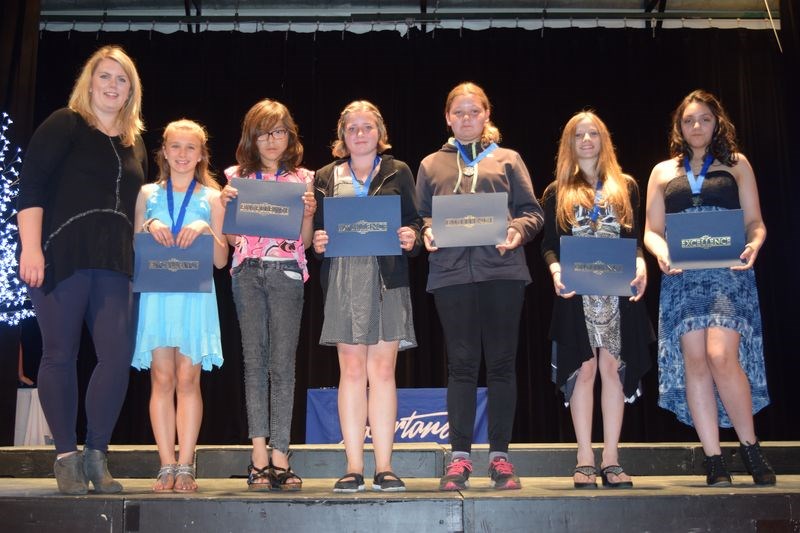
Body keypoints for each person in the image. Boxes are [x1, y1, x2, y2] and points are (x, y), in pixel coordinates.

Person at [17, 45, 147, 494]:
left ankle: (97, 455)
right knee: (59, 354)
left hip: (115, 264)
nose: (113, 86)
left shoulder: (135, 142)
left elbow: (140, 208)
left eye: (122, 79)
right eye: (105, 76)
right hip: (63, 255)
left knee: (116, 357)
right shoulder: (65, 124)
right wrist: (29, 249)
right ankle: (66, 458)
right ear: (89, 82)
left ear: (132, 89)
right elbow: (30, 189)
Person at [415, 82, 544, 491]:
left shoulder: (508, 159)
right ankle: (459, 458)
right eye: (459, 112)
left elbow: (533, 212)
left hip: (502, 272)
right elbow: (420, 216)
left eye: (475, 111)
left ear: (487, 115)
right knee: (462, 366)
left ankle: (501, 457)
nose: (467, 118)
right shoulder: (431, 165)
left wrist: (517, 232)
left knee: (502, 364)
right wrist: (426, 233)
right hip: (451, 276)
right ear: (447, 117)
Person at [644, 89, 775, 486]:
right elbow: (651, 230)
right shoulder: (663, 172)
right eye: (688, 121)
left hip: (727, 274)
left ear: (717, 122)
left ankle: (750, 448)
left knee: (721, 356)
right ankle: (714, 459)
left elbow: (755, 222)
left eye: (703, 119)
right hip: (682, 278)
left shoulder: (737, 165)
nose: (696, 126)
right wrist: (661, 254)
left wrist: (754, 244)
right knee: (696, 362)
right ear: (679, 128)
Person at [312, 100, 421, 493]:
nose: (360, 134)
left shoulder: (398, 171)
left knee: (384, 372)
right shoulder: (324, 176)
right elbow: (317, 234)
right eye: (352, 128)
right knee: (352, 372)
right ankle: (353, 466)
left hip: (387, 278)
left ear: (380, 133)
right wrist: (318, 241)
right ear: (342, 136)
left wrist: (413, 237)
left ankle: (386, 466)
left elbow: (415, 222)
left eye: (367, 127)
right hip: (343, 279)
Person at [540, 111, 653, 489]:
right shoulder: (556, 192)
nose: (586, 140)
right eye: (578, 135)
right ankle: (584, 456)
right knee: (584, 370)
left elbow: (634, 240)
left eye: (593, 133)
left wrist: (641, 265)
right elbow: (549, 247)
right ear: (568, 144)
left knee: (613, 372)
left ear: (604, 139)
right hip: (576, 293)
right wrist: (556, 273)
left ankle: (612, 458)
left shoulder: (627, 187)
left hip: (618, 293)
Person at [220, 99, 316, 491]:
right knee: (254, 364)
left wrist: (309, 214)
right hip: (246, 273)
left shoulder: (303, 178)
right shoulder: (234, 177)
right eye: (264, 132)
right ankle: (258, 454)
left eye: (279, 132)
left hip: (286, 274)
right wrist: (224, 208)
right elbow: (229, 239)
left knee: (282, 367)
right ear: (251, 137)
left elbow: (305, 243)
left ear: (289, 136)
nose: (272, 140)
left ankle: (281, 454)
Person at [132, 119, 227, 493]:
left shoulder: (213, 198)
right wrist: (148, 225)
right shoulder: (147, 194)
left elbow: (221, 261)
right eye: (176, 147)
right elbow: (136, 249)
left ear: (202, 154)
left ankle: (186, 464)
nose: (183, 154)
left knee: (188, 379)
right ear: (164, 152)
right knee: (161, 378)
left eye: (191, 148)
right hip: (157, 297)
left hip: (195, 299)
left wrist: (206, 230)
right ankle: (165, 465)